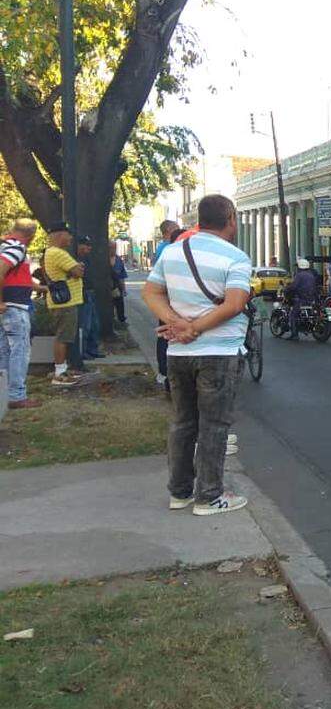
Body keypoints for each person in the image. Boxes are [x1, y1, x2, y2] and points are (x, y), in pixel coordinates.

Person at [141, 194, 251, 516]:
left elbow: (151, 292)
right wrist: (196, 327)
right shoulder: (236, 258)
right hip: (219, 353)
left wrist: (178, 324)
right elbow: (234, 305)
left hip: (179, 352)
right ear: (230, 218)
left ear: (199, 220)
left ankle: (179, 492)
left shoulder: (173, 252)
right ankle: (209, 496)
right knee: (214, 426)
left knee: (182, 422)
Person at [0, 219, 41, 408]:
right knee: (20, 350)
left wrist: (43, 288)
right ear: (30, 235)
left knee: (5, 350)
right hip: (13, 306)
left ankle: (5, 394)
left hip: (8, 306)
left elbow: (16, 277)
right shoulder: (16, 248)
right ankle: (16, 396)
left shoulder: (5, 245)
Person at [43, 223, 85, 387]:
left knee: (64, 336)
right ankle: (59, 374)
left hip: (63, 302)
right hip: (65, 303)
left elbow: (75, 270)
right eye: (68, 234)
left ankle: (63, 369)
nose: (71, 238)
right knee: (63, 337)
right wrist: (77, 268)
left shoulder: (51, 253)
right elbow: (78, 272)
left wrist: (74, 269)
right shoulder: (58, 253)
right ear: (60, 235)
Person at [74, 236, 104, 361]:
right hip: (82, 292)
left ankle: (92, 349)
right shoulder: (74, 259)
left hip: (90, 292)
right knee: (85, 324)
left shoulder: (87, 258)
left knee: (94, 324)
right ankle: (83, 350)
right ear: (79, 245)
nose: (89, 248)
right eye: (86, 245)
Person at [283, 257, 318, 339]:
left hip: (301, 299)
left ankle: (294, 334)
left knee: (292, 315)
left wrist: (287, 289)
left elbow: (294, 286)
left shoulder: (299, 275)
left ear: (299, 267)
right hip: (310, 299)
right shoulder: (311, 275)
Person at [110, 250, 128, 323]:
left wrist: (123, 289)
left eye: (114, 247)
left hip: (116, 287)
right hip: (107, 287)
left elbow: (121, 276)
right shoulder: (103, 258)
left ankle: (121, 320)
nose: (113, 249)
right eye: (112, 248)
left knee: (119, 304)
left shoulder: (118, 259)